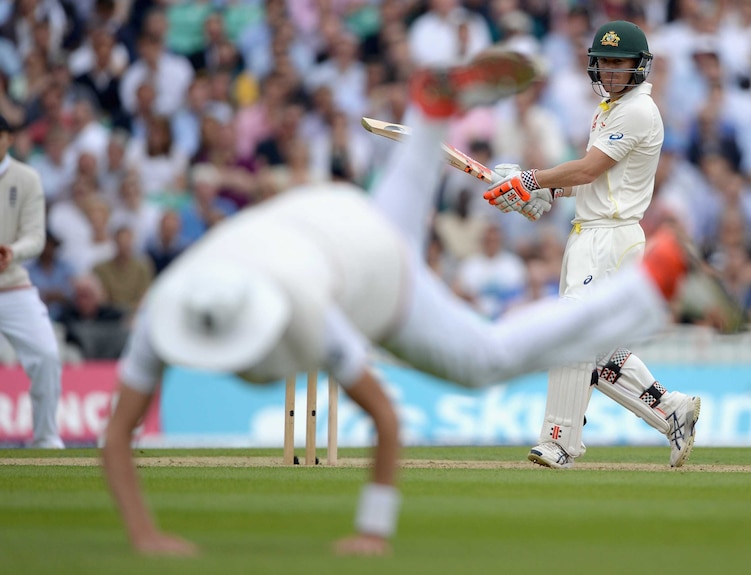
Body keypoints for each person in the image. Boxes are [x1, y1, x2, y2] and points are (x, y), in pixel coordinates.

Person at [101, 50, 709, 559]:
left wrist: (528, 183)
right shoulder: (179, 307)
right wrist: (527, 189)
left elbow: (385, 420)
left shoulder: (279, 314)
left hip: (370, 268)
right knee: (419, 206)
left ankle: (569, 423)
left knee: (486, 357)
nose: (607, 70)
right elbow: (383, 421)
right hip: (334, 218)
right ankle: (433, 109)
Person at [484, 21, 707, 469]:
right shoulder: (610, 109)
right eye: (603, 62)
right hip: (591, 230)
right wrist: (543, 192)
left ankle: (560, 440)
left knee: (571, 328)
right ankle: (671, 411)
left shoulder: (637, 111)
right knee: (599, 350)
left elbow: (587, 170)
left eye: (619, 63)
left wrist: (529, 179)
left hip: (611, 234)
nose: (609, 71)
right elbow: (596, 180)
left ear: (638, 67)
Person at [0, 114, 64, 448]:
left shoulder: (26, 179)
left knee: (47, 354)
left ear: (8, 139)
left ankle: (46, 438)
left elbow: (36, 238)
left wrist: (11, 251)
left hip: (11, 285)